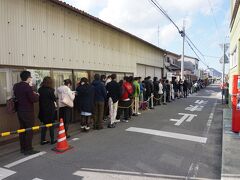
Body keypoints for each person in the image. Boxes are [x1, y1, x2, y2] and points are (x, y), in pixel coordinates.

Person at [13, 71, 39, 155]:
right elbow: (33, 99)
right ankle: (28, 149)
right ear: (28, 78)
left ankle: (23, 148)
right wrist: (36, 95)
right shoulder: (27, 87)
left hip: (19, 110)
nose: (31, 78)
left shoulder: (16, 86)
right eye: (30, 77)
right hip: (27, 111)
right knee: (29, 129)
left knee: (22, 129)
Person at [38, 76, 57, 145]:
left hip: (42, 110)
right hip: (50, 110)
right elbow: (54, 99)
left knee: (44, 125)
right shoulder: (51, 90)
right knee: (51, 125)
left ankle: (42, 140)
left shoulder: (40, 89)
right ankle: (52, 140)